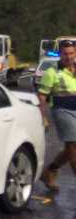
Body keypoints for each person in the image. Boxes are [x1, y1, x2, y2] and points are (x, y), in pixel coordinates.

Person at [39, 40, 76, 191]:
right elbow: (42, 97)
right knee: (73, 147)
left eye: (71, 53)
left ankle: (50, 170)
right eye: (65, 53)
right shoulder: (51, 72)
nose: (68, 56)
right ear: (60, 54)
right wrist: (43, 117)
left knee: (70, 150)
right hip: (62, 111)